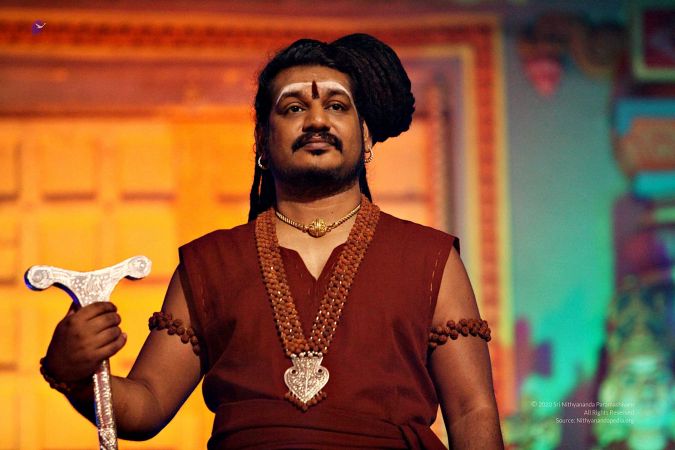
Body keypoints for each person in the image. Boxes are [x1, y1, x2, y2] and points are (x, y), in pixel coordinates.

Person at [41, 33, 504, 449]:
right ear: (262, 139)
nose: (317, 120)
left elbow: (472, 411)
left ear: (365, 135)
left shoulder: (430, 258)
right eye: (294, 108)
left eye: (337, 106)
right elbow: (145, 406)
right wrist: (76, 376)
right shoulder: (210, 264)